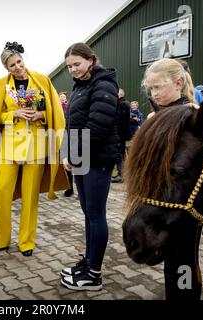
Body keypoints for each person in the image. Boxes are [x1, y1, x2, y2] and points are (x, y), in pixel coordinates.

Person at [0, 41, 68, 257]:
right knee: (2, 191)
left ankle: (26, 241)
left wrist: (42, 115)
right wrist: (13, 114)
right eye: (12, 65)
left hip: (36, 146)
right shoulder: (1, 85)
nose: (18, 67)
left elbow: (56, 112)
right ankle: (0, 240)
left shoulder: (42, 81)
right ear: (6, 68)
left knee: (30, 196)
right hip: (8, 147)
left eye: (19, 61)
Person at [60, 42, 120, 291]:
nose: (73, 69)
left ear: (91, 61)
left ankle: (94, 274)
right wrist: (66, 153)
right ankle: (89, 261)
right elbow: (70, 123)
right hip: (81, 159)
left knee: (96, 215)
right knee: (88, 213)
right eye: (69, 66)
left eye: (77, 64)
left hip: (98, 158)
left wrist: (74, 153)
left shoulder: (103, 83)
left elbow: (98, 127)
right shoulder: (79, 86)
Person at [142, 57, 201, 300]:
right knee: (170, 257)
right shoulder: (154, 116)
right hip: (162, 200)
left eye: (158, 87)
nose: (154, 93)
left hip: (184, 202)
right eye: (150, 88)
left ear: (178, 83)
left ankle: (185, 296)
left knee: (184, 258)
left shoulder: (192, 116)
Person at [111, 88, 131, 183]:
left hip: (120, 135)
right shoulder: (120, 104)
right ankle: (120, 174)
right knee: (119, 154)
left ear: (120, 94)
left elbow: (121, 122)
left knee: (120, 154)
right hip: (119, 134)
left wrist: (117, 134)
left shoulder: (123, 105)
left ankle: (121, 175)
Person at [59, 91, 74, 197]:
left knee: (66, 160)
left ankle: (70, 187)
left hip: (66, 135)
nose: (62, 98)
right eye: (60, 97)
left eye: (64, 97)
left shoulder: (68, 108)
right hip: (55, 135)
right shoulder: (55, 108)